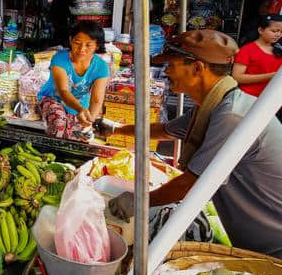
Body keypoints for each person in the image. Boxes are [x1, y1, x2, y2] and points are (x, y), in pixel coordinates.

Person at [101, 30, 282, 258]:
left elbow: (190, 183)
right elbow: (165, 130)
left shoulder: (231, 116)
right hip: (256, 240)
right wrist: (115, 128)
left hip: (274, 243)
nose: (166, 71)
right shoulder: (213, 106)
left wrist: (139, 202)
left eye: (171, 64)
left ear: (197, 68)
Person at [37, 21, 109, 141]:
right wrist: (80, 109)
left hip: (80, 106)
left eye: (88, 45)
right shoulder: (60, 59)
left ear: (97, 46)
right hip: (53, 99)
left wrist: (89, 121)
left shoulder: (101, 67)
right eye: (77, 43)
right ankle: (52, 154)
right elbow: (63, 91)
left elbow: (96, 100)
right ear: (71, 40)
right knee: (59, 123)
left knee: (81, 135)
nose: (82, 49)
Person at [232, 14, 282, 121]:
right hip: (248, 100)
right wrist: (272, 76)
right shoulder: (247, 50)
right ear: (260, 30)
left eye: (281, 32)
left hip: (271, 102)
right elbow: (237, 77)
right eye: (274, 31)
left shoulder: (279, 50)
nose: (278, 35)